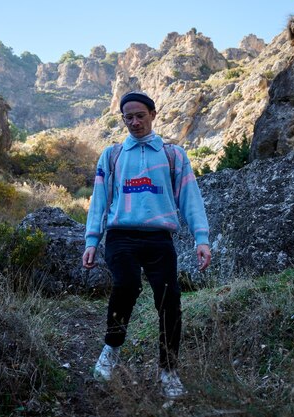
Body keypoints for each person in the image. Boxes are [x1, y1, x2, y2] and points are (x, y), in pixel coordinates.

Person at [82, 91, 211, 399]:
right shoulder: (112, 155)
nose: (135, 122)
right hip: (120, 235)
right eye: (129, 117)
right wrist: (91, 240)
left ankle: (168, 370)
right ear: (122, 118)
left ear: (153, 114)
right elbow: (99, 201)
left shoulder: (173, 154)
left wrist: (201, 238)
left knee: (170, 301)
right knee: (126, 285)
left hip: (158, 237)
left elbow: (190, 198)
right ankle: (111, 350)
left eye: (140, 115)